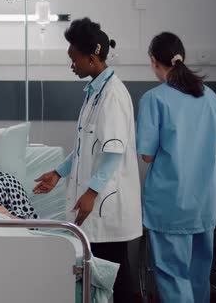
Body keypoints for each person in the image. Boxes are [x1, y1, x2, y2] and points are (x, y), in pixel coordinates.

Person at [32, 17, 142, 302]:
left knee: (117, 278)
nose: (71, 65)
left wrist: (92, 193)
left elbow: (113, 152)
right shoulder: (95, 92)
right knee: (108, 276)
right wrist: (58, 172)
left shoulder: (113, 95)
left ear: (91, 57)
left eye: (74, 58)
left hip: (107, 204)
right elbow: (85, 147)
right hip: (97, 204)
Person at [137, 32, 216, 303]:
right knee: (199, 275)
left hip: (170, 203)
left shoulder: (154, 99)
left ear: (154, 61)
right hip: (204, 202)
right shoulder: (211, 97)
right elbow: (211, 144)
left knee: (173, 277)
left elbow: (147, 156)